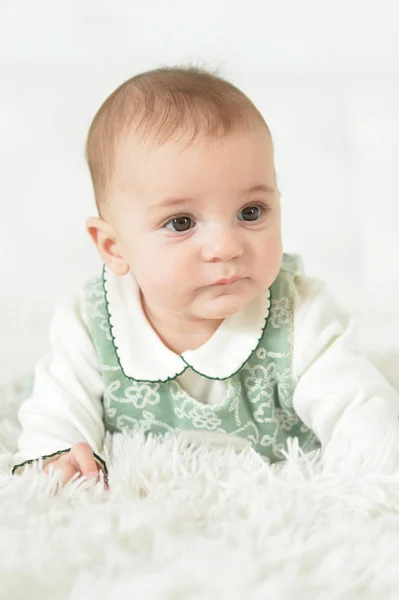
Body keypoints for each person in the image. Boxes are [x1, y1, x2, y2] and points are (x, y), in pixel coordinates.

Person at [11, 66, 399, 489]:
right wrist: (59, 453)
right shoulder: (92, 322)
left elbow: (358, 406)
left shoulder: (299, 313)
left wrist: (366, 482)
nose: (226, 246)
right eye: (180, 223)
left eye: (251, 212)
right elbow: (57, 407)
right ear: (113, 247)